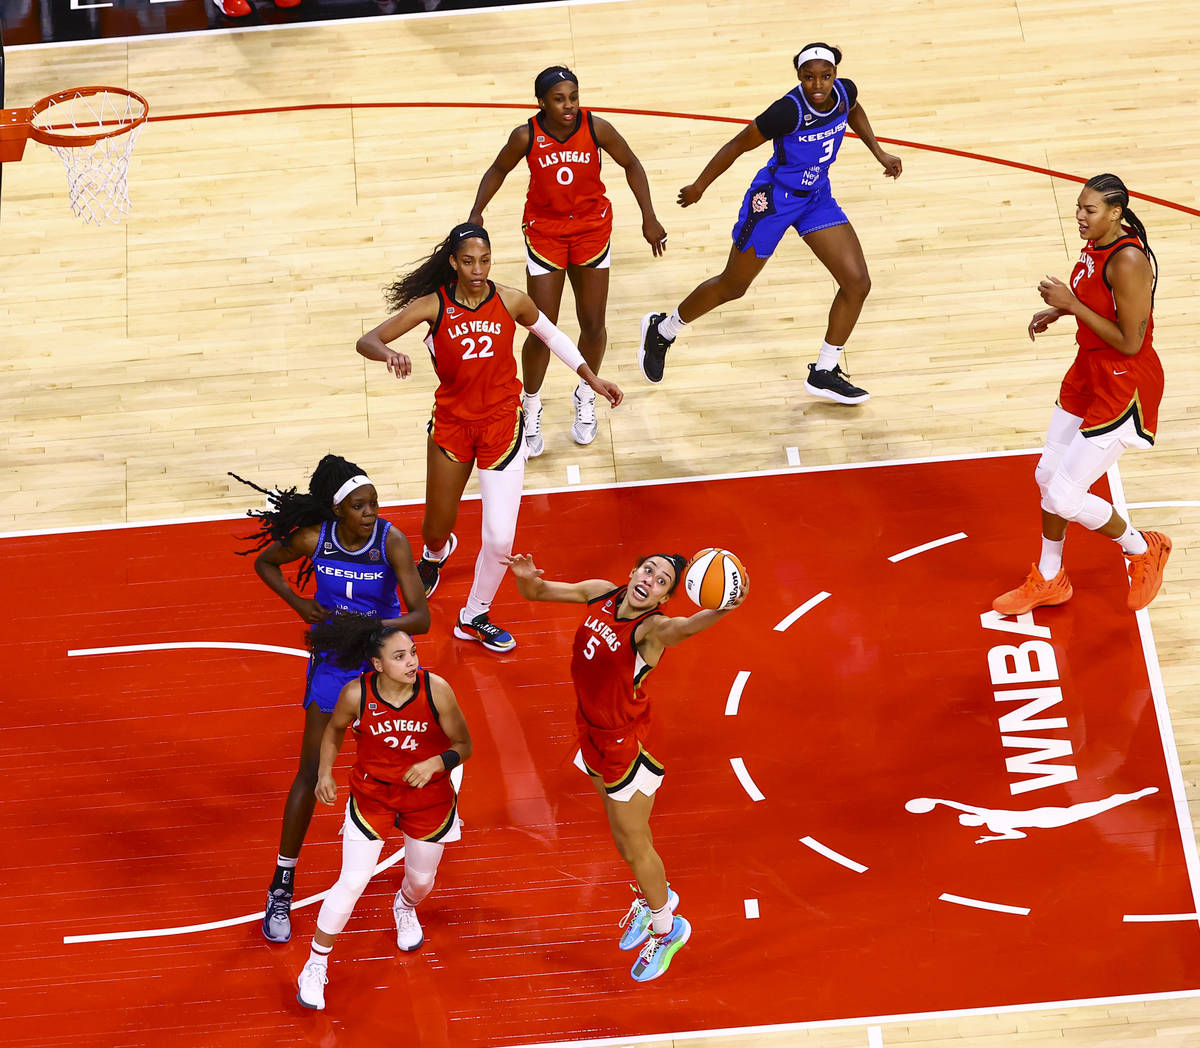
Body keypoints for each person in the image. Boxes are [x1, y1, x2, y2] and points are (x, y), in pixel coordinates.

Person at [356, 221, 622, 654]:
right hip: (452, 426)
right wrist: (390, 353)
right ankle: (436, 554)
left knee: (500, 539)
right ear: (453, 264)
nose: (477, 269)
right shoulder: (432, 306)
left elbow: (552, 335)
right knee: (435, 527)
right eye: (468, 261)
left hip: (502, 427)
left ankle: (474, 615)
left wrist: (590, 377)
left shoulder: (512, 300)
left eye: (484, 260)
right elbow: (367, 340)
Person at [504, 551, 747, 982]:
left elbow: (685, 627)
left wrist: (723, 606)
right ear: (632, 572)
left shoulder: (651, 629)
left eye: (661, 580)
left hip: (627, 745)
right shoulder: (600, 592)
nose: (650, 579)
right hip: (591, 729)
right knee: (619, 834)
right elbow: (537, 592)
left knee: (637, 846)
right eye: (648, 569)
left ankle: (668, 928)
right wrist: (524, 577)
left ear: (666, 597)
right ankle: (657, 898)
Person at [230, 454, 429, 945]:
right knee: (309, 770)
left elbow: (420, 618)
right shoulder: (313, 538)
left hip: (381, 656)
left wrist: (371, 629)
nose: (371, 512)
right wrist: (299, 603)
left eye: (374, 503)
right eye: (360, 506)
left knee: (413, 759)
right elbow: (265, 562)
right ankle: (282, 882)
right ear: (338, 511)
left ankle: (414, 884)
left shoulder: (392, 541)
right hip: (335, 662)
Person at [638, 42, 902, 404]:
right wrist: (700, 186)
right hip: (773, 201)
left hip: (815, 197)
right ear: (799, 77)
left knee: (857, 283)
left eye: (826, 76)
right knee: (733, 286)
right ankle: (663, 329)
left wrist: (879, 151)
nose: (819, 85)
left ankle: (824, 370)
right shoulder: (786, 111)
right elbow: (737, 145)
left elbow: (854, 110)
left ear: (836, 74)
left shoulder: (845, 92)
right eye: (809, 78)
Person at [992, 173, 1171, 615]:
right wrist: (1060, 309)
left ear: (1116, 212)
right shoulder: (1097, 242)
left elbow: (1131, 341)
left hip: (1124, 382)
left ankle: (1141, 548)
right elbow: (1097, 300)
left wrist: (1072, 305)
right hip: (1087, 370)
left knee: (1064, 496)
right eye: (1078, 207)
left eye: (1089, 210)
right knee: (1046, 477)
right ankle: (1051, 579)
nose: (1079, 216)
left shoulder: (1128, 260)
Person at [468, 65, 667, 457]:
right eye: (560, 99)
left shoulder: (597, 128)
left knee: (593, 323)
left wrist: (649, 216)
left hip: (592, 230)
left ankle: (586, 393)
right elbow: (497, 169)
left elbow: (632, 164)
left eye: (573, 97)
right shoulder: (525, 135)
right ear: (541, 102)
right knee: (542, 326)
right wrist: (477, 212)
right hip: (545, 233)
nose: (569, 106)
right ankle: (530, 404)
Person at [295, 613, 472, 1011]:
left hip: (428, 797)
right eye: (399, 656)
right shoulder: (357, 695)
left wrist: (435, 764)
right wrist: (326, 772)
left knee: (422, 881)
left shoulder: (436, 689)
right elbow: (335, 729)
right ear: (377, 665)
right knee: (352, 881)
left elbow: (464, 744)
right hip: (372, 795)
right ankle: (315, 964)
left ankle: (405, 906)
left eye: (413, 652)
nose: (412, 662)